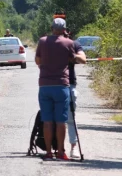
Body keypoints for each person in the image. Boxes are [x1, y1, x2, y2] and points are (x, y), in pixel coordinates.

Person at [35, 18, 83, 161]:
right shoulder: (69, 43)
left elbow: (38, 60)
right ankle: (61, 151)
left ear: (51, 28)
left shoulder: (42, 41)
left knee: (47, 121)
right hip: (61, 85)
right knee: (61, 121)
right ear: (64, 30)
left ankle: (49, 152)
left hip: (44, 85)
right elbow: (75, 59)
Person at [66, 37, 86, 156]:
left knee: (70, 118)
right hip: (54, 83)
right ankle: (55, 147)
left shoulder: (73, 44)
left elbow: (83, 59)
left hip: (70, 83)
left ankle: (74, 147)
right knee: (53, 119)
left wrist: (72, 56)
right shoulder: (50, 43)